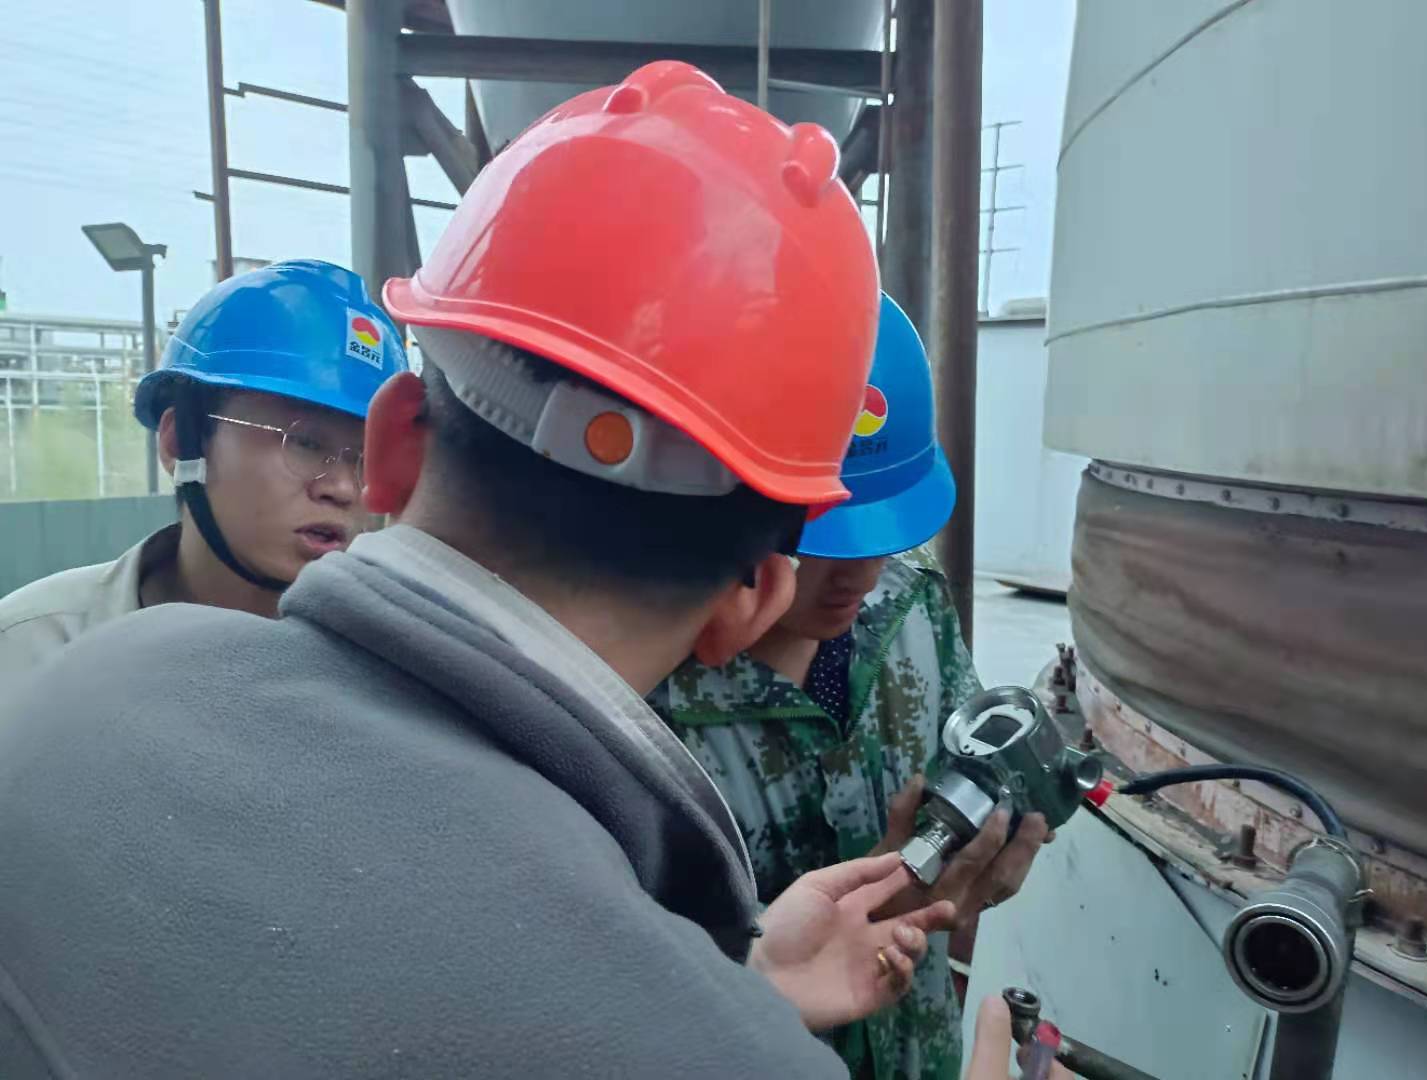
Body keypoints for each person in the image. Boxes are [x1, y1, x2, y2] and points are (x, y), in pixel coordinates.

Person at [0, 63, 957, 1077]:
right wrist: (723, 1014)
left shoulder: (75, 693)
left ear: (391, 448)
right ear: (750, 600)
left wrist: (736, 981)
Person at [648, 293, 1050, 1080]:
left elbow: (972, 769)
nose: (863, 575)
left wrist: (983, 846)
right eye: (825, 539)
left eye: (885, 533)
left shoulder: (911, 603)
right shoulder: (640, 692)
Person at [0, 260, 407, 675]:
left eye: (366, 458)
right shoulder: (30, 652)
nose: (344, 488)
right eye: (305, 442)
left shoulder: (392, 672)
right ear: (180, 443)